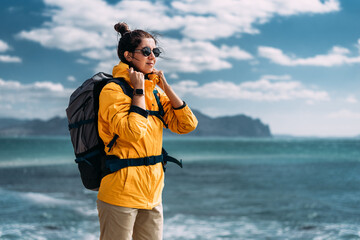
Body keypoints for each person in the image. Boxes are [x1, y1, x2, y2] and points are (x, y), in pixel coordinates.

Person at [96, 22, 198, 240]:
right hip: (120, 193)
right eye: (146, 51)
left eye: (155, 52)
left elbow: (187, 125)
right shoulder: (113, 90)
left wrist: (165, 87)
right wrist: (139, 90)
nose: (152, 57)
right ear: (128, 55)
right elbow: (132, 132)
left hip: (152, 194)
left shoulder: (155, 93)